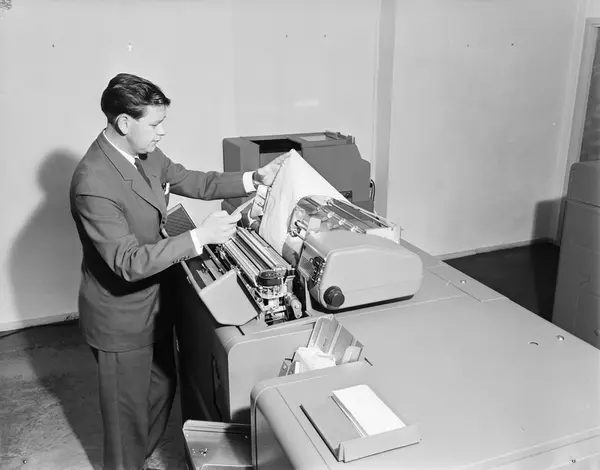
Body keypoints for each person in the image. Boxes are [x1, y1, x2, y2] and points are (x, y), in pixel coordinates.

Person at [69, 73, 287, 470]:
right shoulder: (93, 181)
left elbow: (191, 180)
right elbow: (128, 262)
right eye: (155, 124)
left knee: (162, 387)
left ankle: (139, 456)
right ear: (124, 123)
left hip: (156, 304)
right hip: (121, 318)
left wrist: (253, 179)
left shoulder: (145, 154)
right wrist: (200, 237)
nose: (162, 132)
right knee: (125, 420)